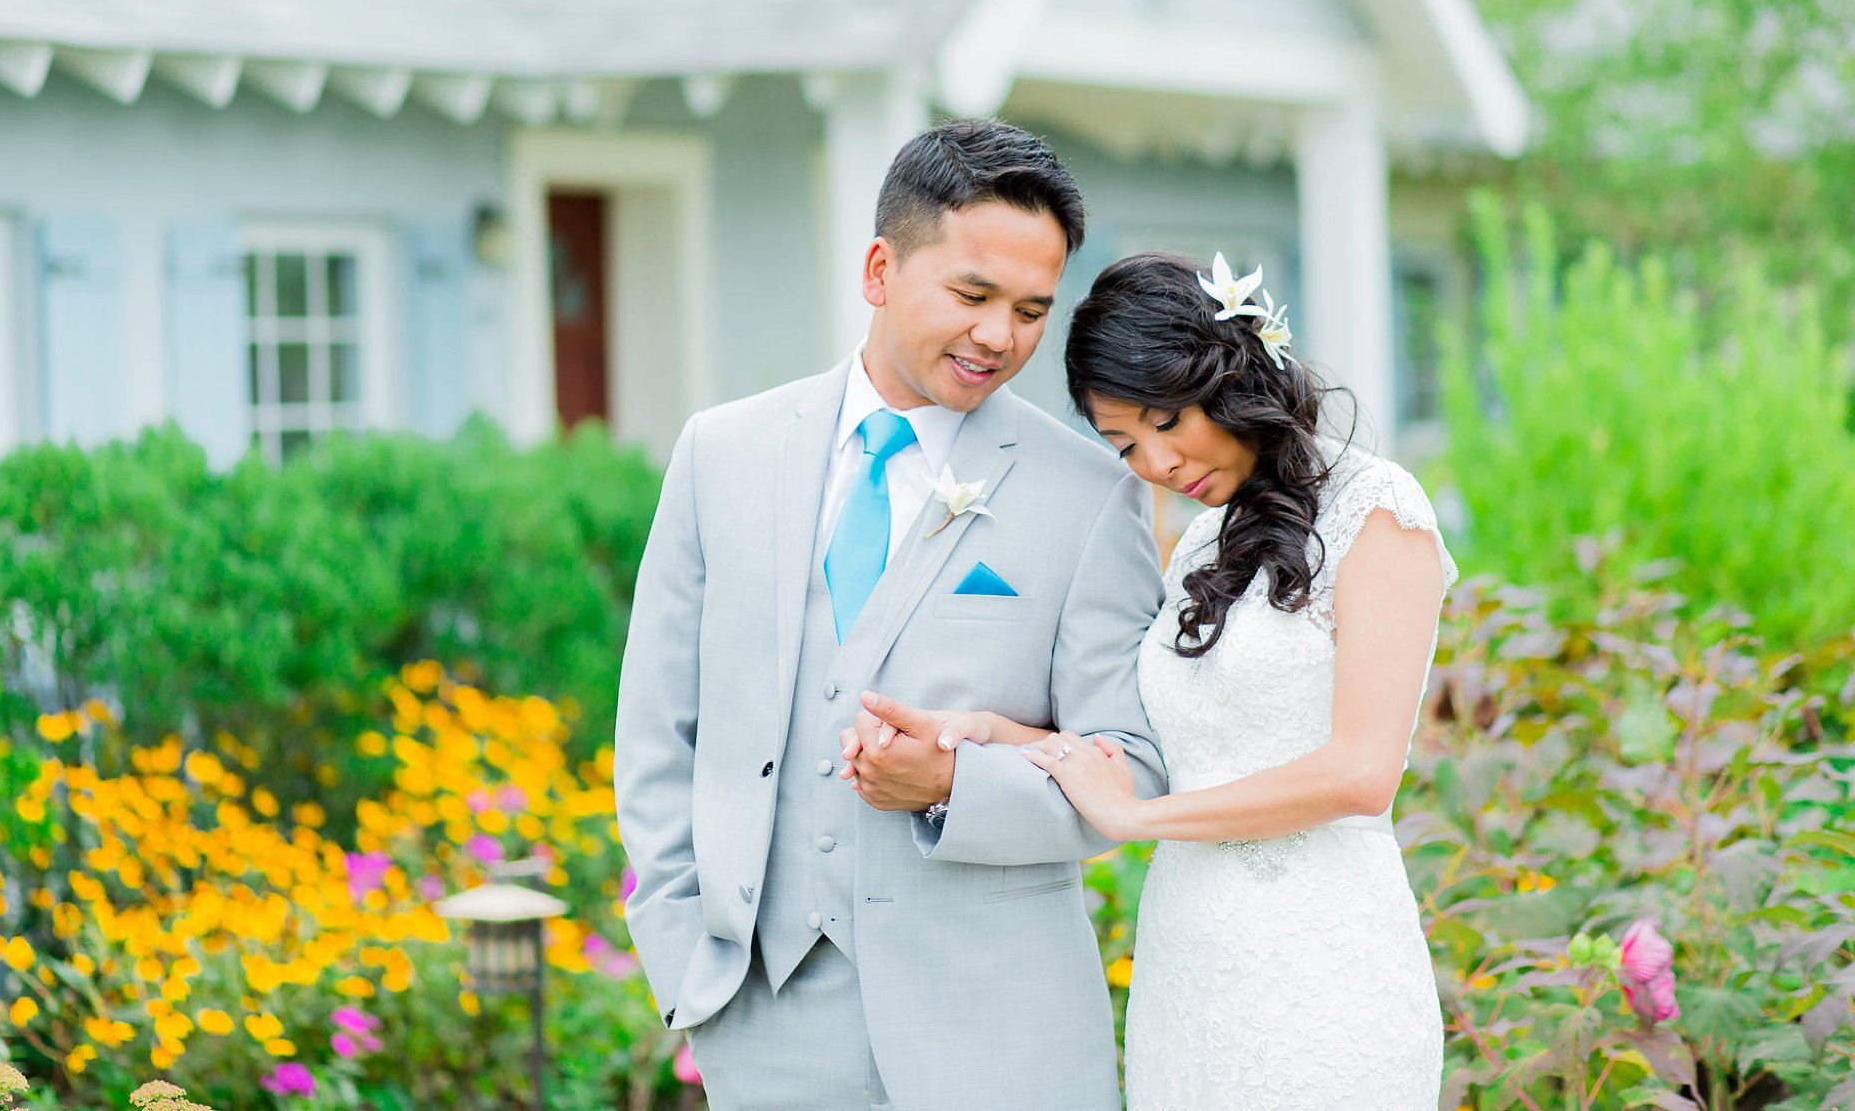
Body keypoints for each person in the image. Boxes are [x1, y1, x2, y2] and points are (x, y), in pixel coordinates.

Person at [613, 119, 1167, 1110]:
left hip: (1001, 1033)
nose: (1001, 335)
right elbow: (659, 727)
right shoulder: (720, 454)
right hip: (764, 1025)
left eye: (1031, 309)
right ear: (878, 268)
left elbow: (1131, 765)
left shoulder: (1091, 495)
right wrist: (681, 953)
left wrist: (954, 782)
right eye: (971, 295)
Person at [876, 250, 1455, 1107]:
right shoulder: (1201, 544)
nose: (1154, 462)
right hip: (1191, 974)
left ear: (1224, 373)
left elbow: (1361, 773)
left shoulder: (1380, 510)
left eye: (1162, 419)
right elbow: (1176, 742)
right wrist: (1002, 736)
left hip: (1323, 973)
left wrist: (1140, 818)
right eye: (1123, 444)